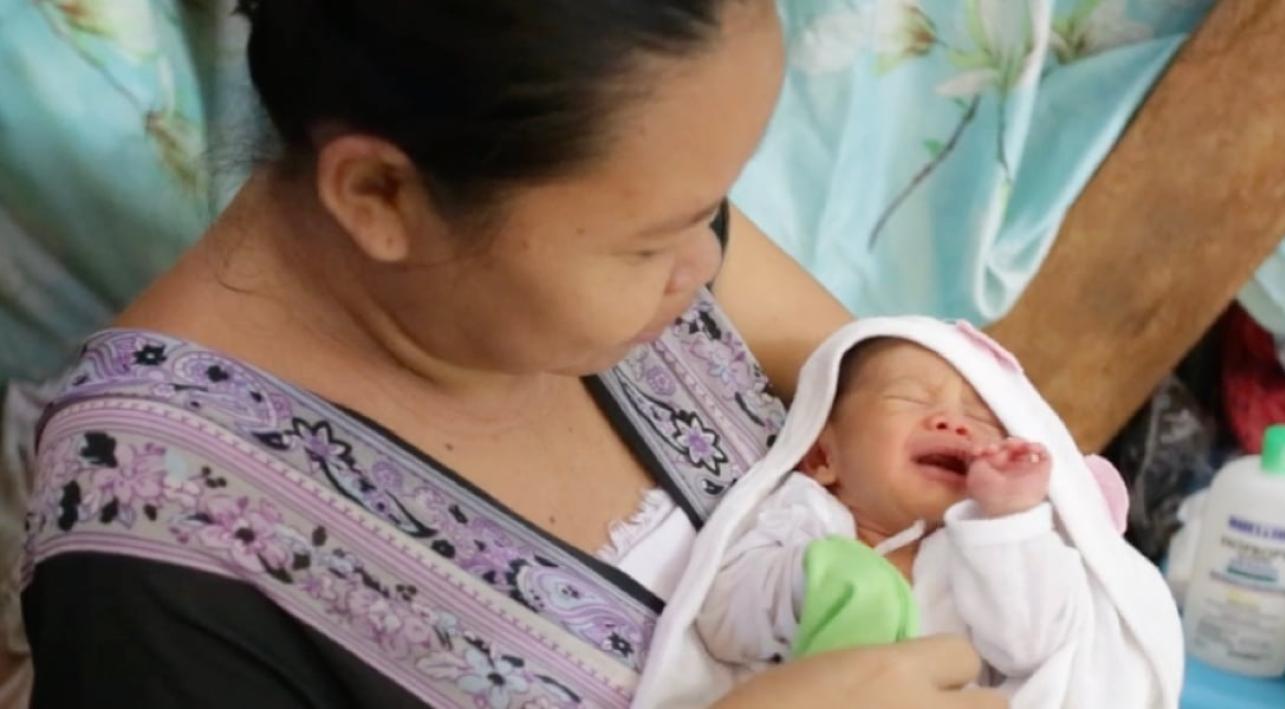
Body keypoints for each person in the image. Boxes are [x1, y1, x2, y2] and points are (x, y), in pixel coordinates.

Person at [19, 1, 1006, 707]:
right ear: (378, 196)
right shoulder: (159, 566)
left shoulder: (609, 191)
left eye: (712, 205)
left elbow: (907, 394)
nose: (705, 266)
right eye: (650, 241)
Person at [691, 333, 1174, 706]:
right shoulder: (806, 516)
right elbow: (719, 621)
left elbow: (1031, 647)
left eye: (983, 417)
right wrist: (815, 580)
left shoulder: (988, 547)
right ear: (822, 456)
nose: (953, 422)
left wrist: (1010, 519)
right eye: (910, 399)